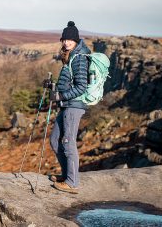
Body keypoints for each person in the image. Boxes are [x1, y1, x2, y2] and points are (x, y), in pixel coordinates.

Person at [47, 21, 90, 194]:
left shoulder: (79, 58)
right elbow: (68, 83)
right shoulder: (70, 56)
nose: (66, 42)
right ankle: (66, 175)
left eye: (69, 39)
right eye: (64, 39)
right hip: (66, 104)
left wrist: (60, 96)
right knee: (54, 140)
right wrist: (53, 87)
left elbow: (81, 87)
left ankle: (72, 182)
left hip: (74, 106)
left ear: (76, 40)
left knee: (67, 142)